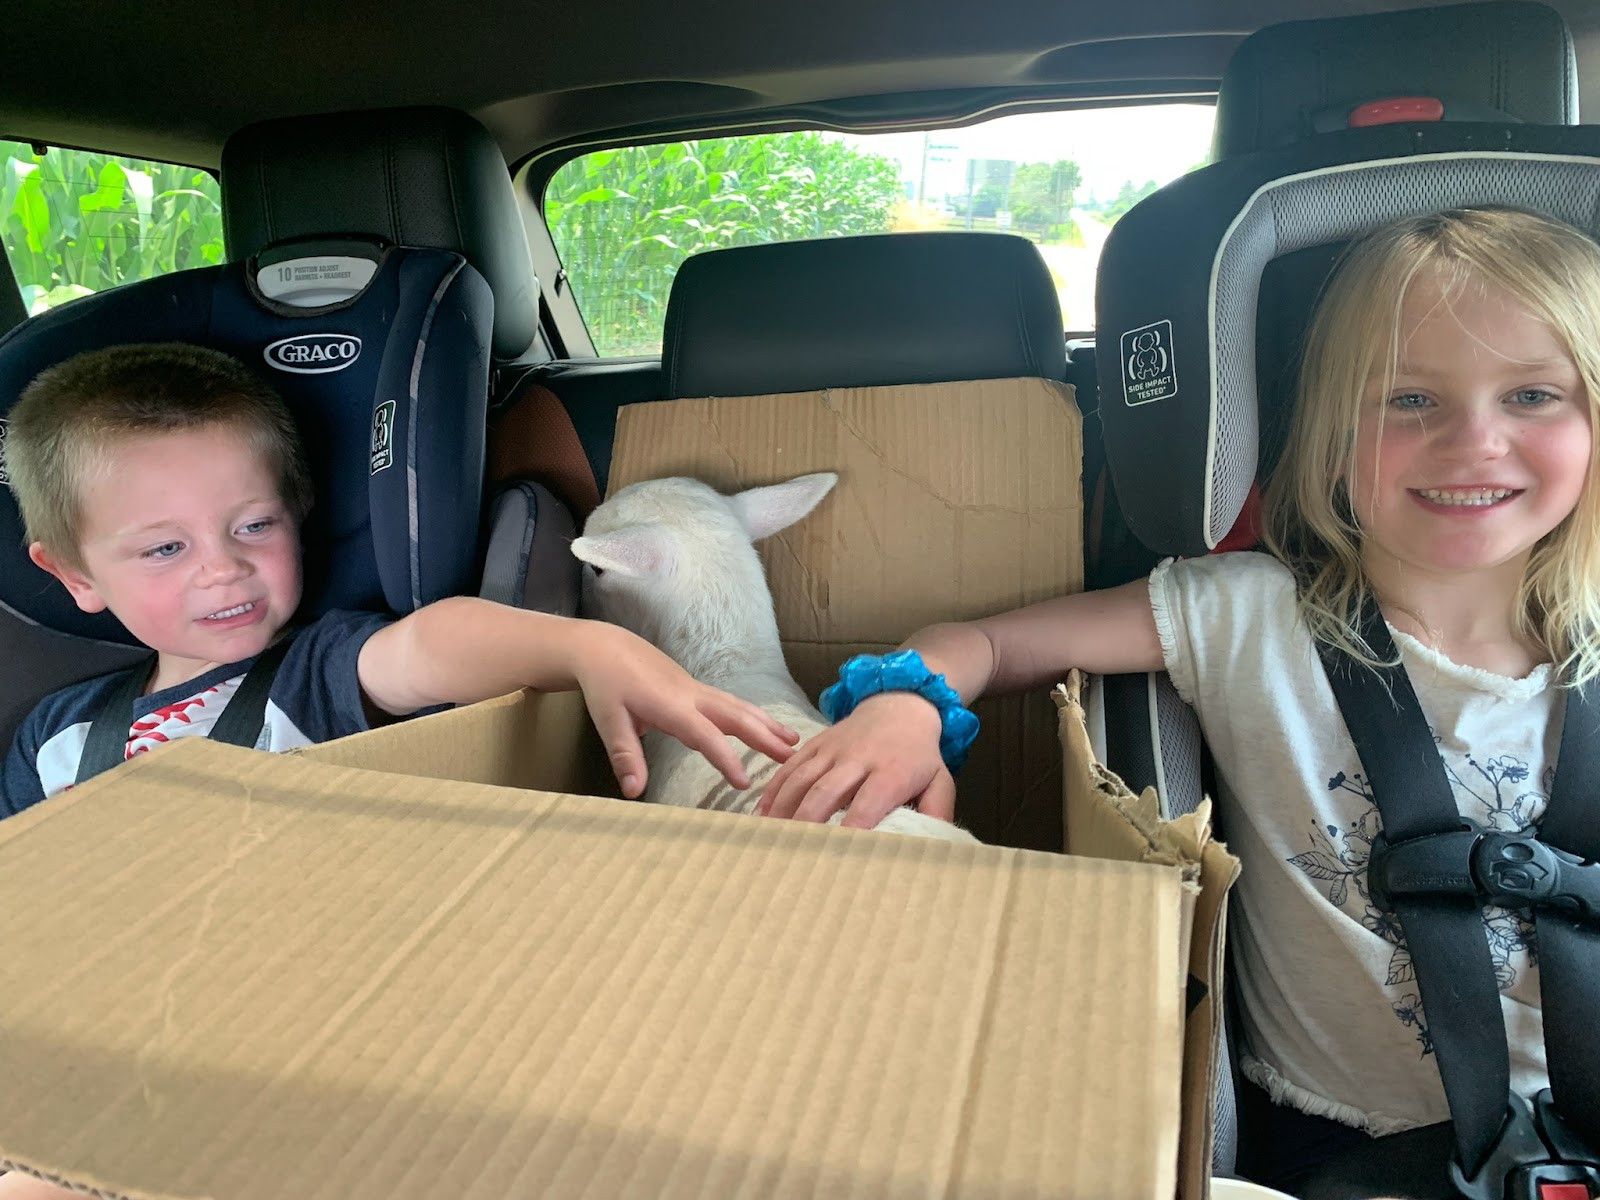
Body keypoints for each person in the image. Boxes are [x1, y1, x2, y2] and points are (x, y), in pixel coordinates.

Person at [757, 207, 1600, 1196]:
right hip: (1348, 1151)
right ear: (1332, 436)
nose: (1475, 442)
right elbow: (982, 642)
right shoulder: (1243, 617)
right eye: (1409, 399)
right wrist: (906, 705)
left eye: (1533, 395)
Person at [0, 343, 797, 817]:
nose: (223, 567)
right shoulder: (56, 737)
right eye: (164, 549)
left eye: (255, 526)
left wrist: (590, 649)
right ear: (74, 575)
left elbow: (429, 646)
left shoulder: (315, 673)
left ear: (298, 516)